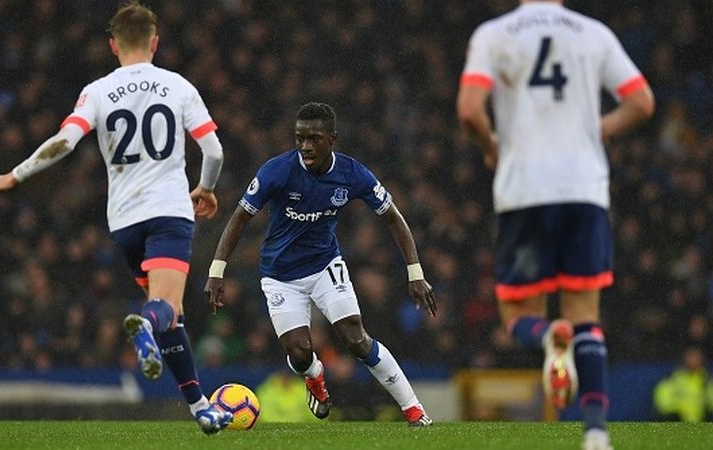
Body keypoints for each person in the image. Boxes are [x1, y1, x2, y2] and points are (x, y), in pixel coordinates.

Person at [0, 2, 232, 435]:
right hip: (169, 211)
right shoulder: (179, 87)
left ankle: (201, 408)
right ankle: (145, 325)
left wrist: (13, 176)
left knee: (173, 313)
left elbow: (64, 142)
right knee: (164, 309)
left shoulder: (97, 92)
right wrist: (206, 188)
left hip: (124, 221)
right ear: (155, 42)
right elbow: (214, 151)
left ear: (113, 45)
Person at [456, 1, 654, 449]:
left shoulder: (495, 33)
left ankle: (547, 335)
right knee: (586, 316)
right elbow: (642, 102)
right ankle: (597, 433)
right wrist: (601, 128)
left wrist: (490, 145)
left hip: (524, 192)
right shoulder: (593, 33)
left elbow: (469, 109)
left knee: (516, 316)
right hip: (584, 189)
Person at [204, 102, 438, 426]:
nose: (305, 146)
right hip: (279, 275)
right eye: (300, 138)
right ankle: (315, 374)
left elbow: (394, 219)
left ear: (332, 139)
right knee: (299, 354)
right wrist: (217, 271)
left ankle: (414, 411)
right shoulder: (277, 170)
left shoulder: (352, 174)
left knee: (356, 339)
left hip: (325, 266)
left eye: (314, 138)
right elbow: (239, 218)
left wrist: (416, 274)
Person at [653, 347, 711, 423]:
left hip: (702, 424)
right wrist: (677, 413)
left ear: (702, 360)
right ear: (684, 359)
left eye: (696, 357)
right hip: (677, 423)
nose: (693, 361)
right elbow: (662, 403)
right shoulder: (673, 380)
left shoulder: (707, 381)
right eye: (690, 357)